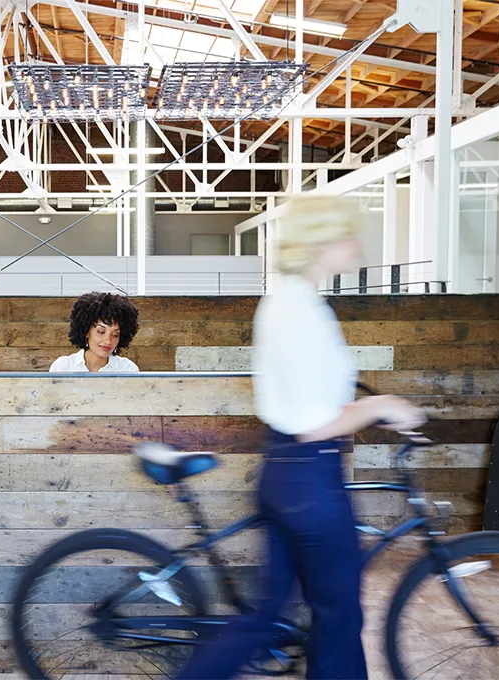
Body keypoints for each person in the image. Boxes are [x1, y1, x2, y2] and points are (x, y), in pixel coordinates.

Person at [175, 196, 426, 680]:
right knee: (338, 617)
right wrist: (381, 406)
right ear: (321, 242)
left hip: (285, 475)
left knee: (268, 617)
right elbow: (313, 421)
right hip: (312, 479)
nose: (356, 245)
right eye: (346, 235)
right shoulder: (300, 310)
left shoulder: (289, 301)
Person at [49, 291, 140, 373]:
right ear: (87, 331)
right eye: (101, 332)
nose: (108, 341)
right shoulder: (63, 368)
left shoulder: (127, 370)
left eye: (115, 335)